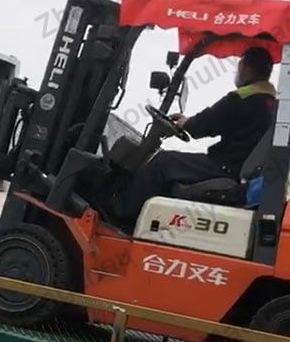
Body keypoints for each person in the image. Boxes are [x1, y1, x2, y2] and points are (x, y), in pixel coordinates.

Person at [110, 46, 277, 223]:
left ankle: (121, 212)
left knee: (163, 162)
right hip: (238, 167)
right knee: (171, 166)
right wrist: (189, 122)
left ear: (247, 68)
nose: (238, 71)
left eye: (240, 66)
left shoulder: (243, 98)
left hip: (223, 166)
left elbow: (205, 124)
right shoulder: (270, 104)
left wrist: (188, 123)